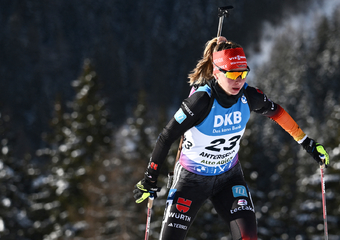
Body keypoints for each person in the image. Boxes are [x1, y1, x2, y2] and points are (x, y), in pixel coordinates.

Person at [133, 36, 330, 240]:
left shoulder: (249, 97)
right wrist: (149, 179)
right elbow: (166, 137)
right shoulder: (201, 101)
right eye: (233, 73)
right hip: (191, 181)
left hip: (229, 178)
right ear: (217, 73)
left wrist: (307, 143)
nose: (239, 80)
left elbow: (278, 113)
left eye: (243, 73)